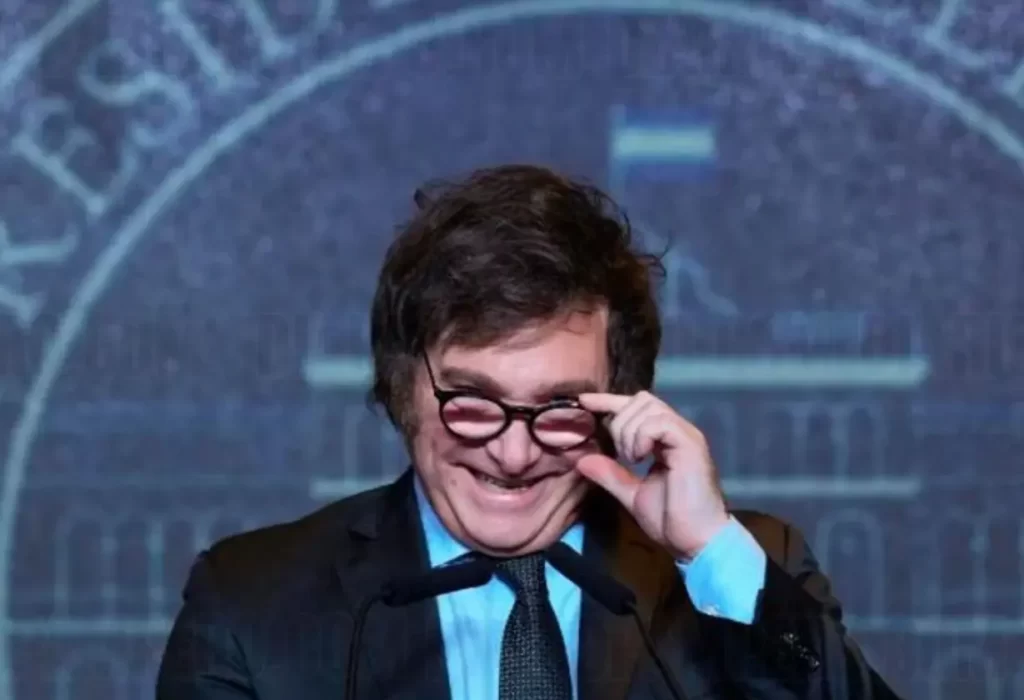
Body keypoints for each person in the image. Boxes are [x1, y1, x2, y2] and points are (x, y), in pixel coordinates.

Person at [156, 164, 903, 699]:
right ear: (403, 388)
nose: (513, 454)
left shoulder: (745, 569)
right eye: (472, 401)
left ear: (620, 408)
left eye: (559, 408)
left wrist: (707, 550)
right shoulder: (250, 602)